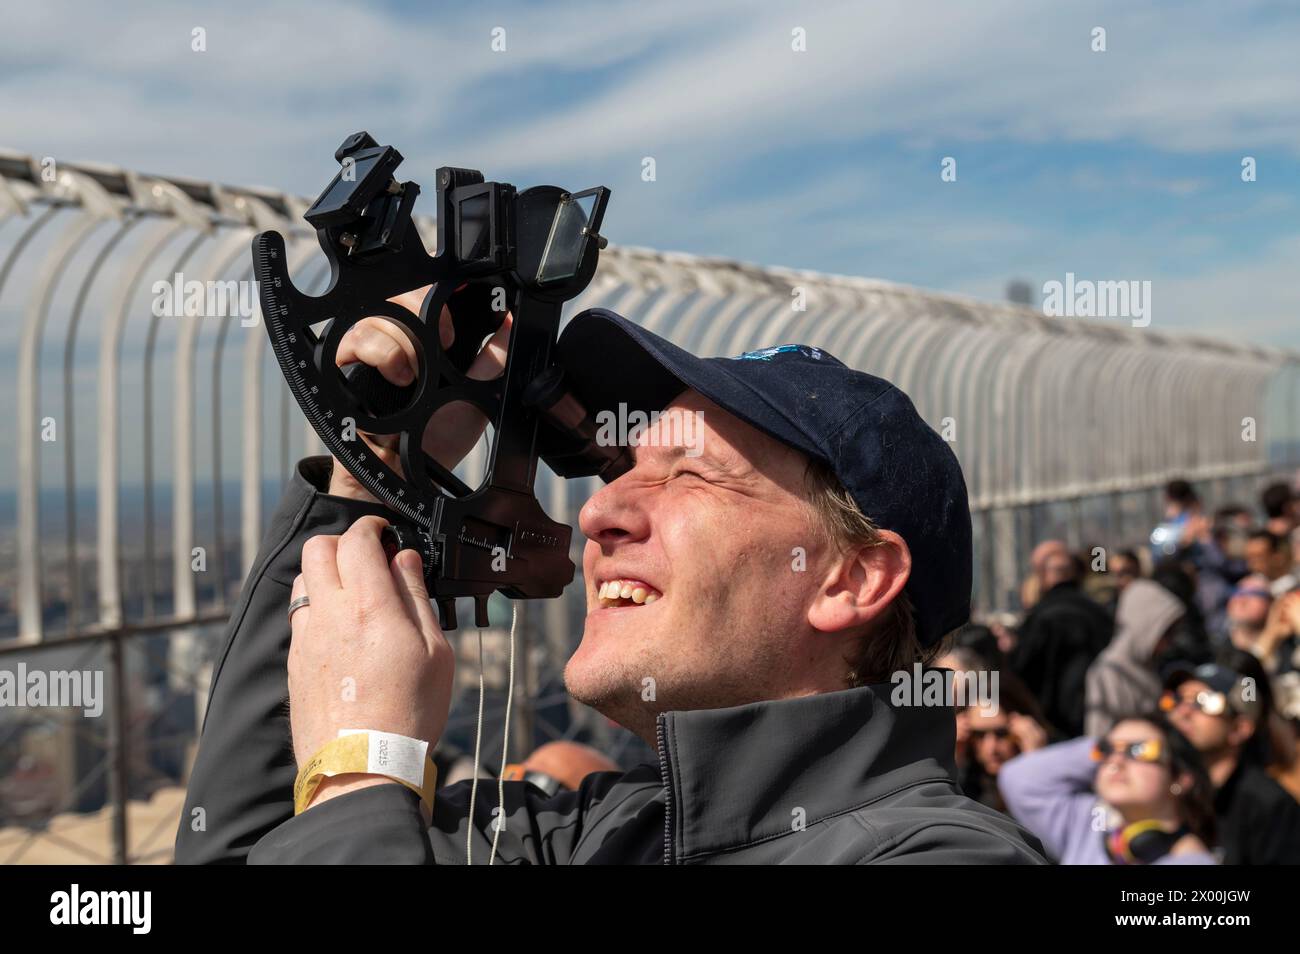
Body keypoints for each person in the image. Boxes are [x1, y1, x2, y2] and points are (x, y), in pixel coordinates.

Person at [174, 301, 1047, 865]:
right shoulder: (605, 832)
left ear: (853, 579)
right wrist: (375, 472)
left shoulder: (944, 857)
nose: (597, 516)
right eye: (622, 471)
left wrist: (362, 782)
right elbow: (248, 850)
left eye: (691, 478)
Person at [999, 712, 1217, 865]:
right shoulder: (1091, 821)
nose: (1116, 762)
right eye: (1107, 750)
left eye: (1139, 750)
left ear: (1180, 778)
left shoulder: (1193, 861)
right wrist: (1102, 746)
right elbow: (1018, 778)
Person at [1161, 656, 1300, 864]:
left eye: (1204, 702)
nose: (1184, 711)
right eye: (1176, 700)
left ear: (1239, 728)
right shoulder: (1167, 791)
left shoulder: (1269, 806)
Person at [1010, 551, 1113, 738]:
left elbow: (1022, 667)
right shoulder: (1099, 613)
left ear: (1044, 577)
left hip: (1050, 722)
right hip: (1097, 715)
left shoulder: (1039, 616)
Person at [1084, 578, 1185, 737]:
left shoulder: (1148, 663)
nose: (1170, 642)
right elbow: (1099, 734)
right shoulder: (1109, 671)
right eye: (1166, 633)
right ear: (1144, 626)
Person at [1244, 529, 1296, 598]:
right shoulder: (1247, 585)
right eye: (1249, 557)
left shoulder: (1294, 588)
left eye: (1258, 557)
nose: (1252, 563)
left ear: (1278, 557)